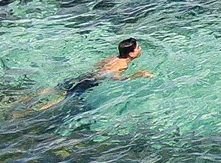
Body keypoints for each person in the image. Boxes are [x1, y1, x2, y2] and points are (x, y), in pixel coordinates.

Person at [24, 39, 153, 114]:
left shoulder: (113, 58)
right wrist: (139, 74)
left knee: (56, 89)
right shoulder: (123, 65)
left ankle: (24, 99)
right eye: (138, 48)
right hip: (90, 82)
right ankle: (33, 111)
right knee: (63, 98)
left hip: (86, 75)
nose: (140, 49)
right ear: (131, 54)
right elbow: (116, 77)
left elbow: (99, 65)